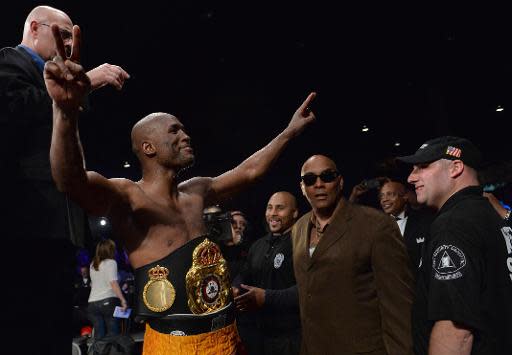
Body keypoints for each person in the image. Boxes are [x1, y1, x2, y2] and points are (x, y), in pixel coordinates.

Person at [44, 23, 316, 354]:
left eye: (184, 129)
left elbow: (250, 171)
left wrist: (289, 132)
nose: (185, 135)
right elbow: (70, 179)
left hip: (227, 338)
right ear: (148, 148)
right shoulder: (129, 196)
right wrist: (66, 112)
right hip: (175, 346)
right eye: (173, 131)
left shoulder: (197, 191)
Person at [0, 6, 129, 354]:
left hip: (60, 228)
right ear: (34, 27)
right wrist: (79, 85)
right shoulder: (9, 63)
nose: (69, 43)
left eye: (73, 36)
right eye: (62, 33)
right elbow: (11, 112)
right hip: (25, 227)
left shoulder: (55, 77)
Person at [397, 136, 512, 354]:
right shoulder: (493, 215)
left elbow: (456, 332)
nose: (411, 178)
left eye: (423, 166)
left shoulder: (453, 225)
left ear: (455, 167)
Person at [291, 154, 414, 355]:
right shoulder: (299, 229)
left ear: (340, 182)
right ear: (303, 187)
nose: (319, 184)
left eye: (327, 176)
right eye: (310, 179)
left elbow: (398, 307)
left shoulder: (376, 225)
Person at [234, 191, 301, 355]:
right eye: (269, 208)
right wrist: (235, 286)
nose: (273, 213)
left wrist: (266, 297)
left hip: (289, 338)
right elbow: (244, 273)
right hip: (259, 337)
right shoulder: (258, 245)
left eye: (280, 208)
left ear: (295, 213)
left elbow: (306, 290)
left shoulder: (301, 244)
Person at [378, 179, 434, 277]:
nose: (384, 199)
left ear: (405, 197)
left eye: (390, 194)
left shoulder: (424, 222)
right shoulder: (376, 226)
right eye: (381, 196)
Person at [88, 239, 128, 340]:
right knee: (113, 335)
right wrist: (123, 300)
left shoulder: (93, 264)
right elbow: (113, 283)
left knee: (99, 337)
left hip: (92, 303)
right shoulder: (111, 262)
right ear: (110, 250)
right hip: (108, 302)